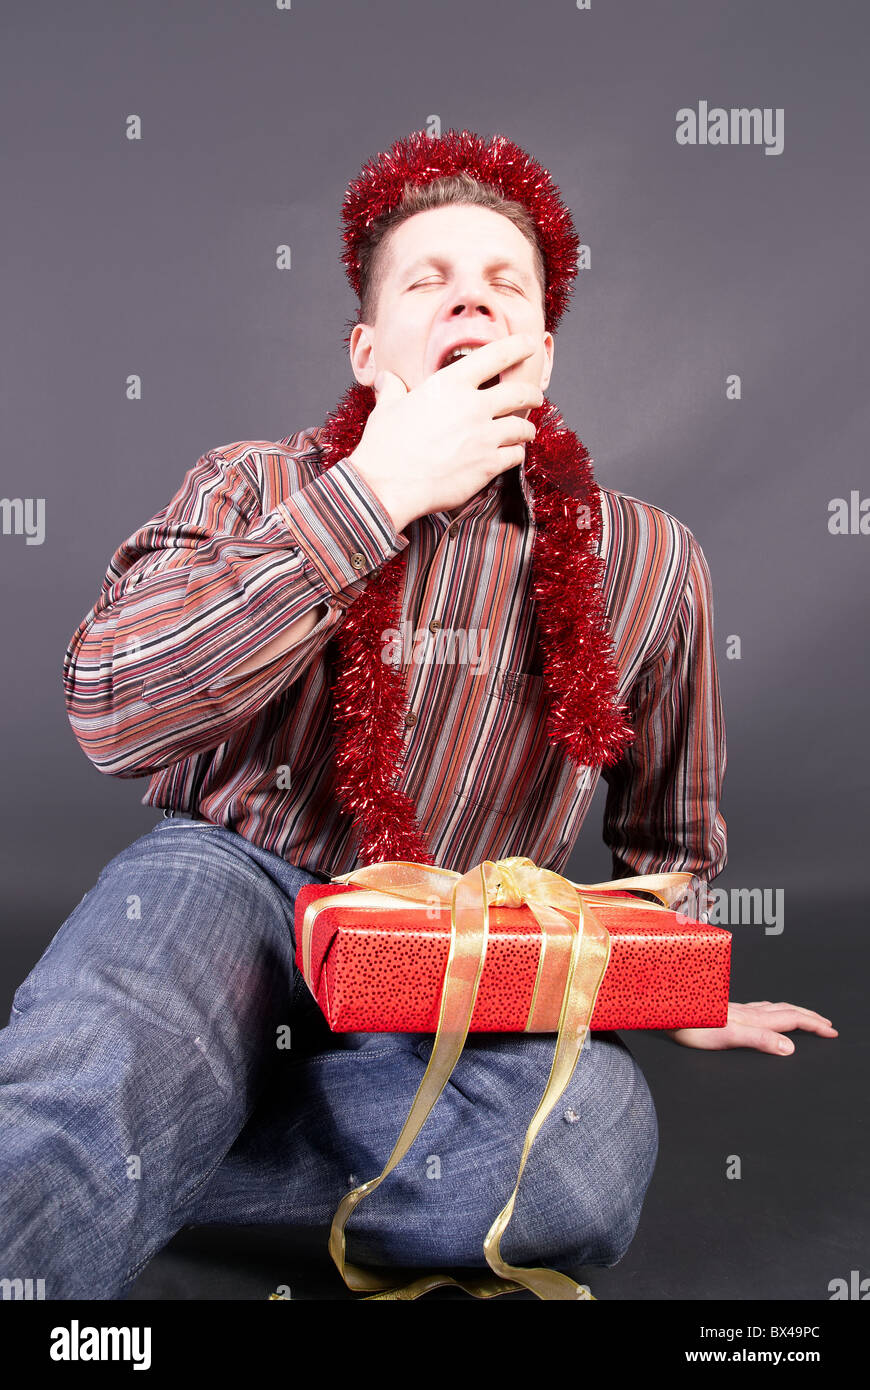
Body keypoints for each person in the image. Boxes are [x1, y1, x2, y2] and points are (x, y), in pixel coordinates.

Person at [0, 129, 836, 1302]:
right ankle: (119, 1110)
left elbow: (671, 836)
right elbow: (109, 711)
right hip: (229, 883)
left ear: (542, 351)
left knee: (582, 1163)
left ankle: (163, 1130)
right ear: (367, 342)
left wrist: (668, 978)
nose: (470, 304)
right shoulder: (254, 483)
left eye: (505, 286)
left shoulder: (649, 557)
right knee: (103, 1064)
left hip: (456, 938)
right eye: (427, 282)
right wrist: (375, 495)